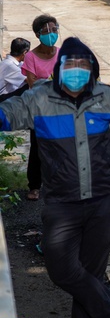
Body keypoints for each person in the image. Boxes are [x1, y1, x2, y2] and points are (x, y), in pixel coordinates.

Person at [0, 36, 110, 318]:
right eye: (70, 64)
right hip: (62, 202)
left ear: (92, 69)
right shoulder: (38, 99)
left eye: (83, 64)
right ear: (59, 68)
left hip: (102, 200)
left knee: (92, 271)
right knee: (61, 268)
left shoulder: (106, 96)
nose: (77, 70)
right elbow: (6, 115)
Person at [22, 14, 61, 201]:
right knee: (38, 149)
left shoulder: (62, 54)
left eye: (54, 30)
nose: (51, 34)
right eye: (46, 31)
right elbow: (32, 84)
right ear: (38, 35)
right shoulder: (31, 57)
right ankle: (35, 186)